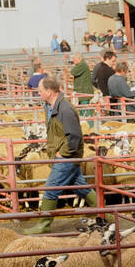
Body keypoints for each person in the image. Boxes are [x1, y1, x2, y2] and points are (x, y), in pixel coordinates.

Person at [26, 76, 91, 231]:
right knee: (82, 188)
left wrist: (64, 153)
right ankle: (106, 215)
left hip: (67, 157)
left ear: (49, 91)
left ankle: (44, 224)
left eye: (40, 91)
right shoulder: (51, 107)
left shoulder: (65, 109)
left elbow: (74, 135)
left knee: (50, 188)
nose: (39, 93)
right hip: (61, 154)